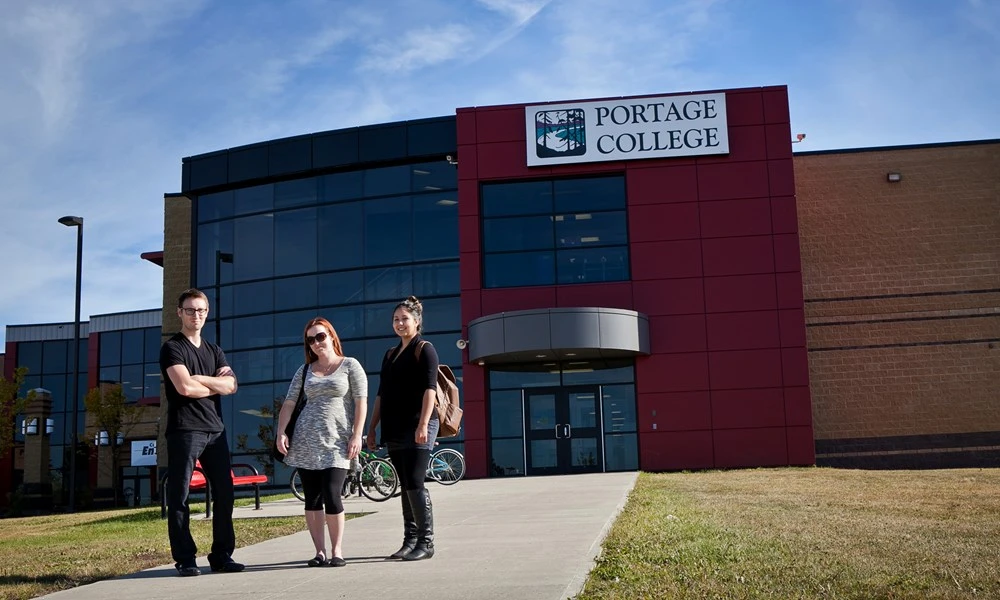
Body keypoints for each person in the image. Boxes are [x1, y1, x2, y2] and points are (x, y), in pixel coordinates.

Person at [160, 288, 243, 577]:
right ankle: (185, 558)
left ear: (207, 313)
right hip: (185, 430)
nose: (196, 315)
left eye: (201, 310)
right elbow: (184, 388)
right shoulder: (172, 348)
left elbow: (232, 386)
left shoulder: (214, 350)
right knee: (180, 495)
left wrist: (201, 379)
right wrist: (214, 384)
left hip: (215, 431)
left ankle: (221, 556)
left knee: (225, 494)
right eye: (190, 310)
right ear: (180, 312)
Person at [276, 317, 367, 567]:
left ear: (331, 336)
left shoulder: (350, 365)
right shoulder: (304, 370)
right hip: (306, 441)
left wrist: (357, 434)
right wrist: (281, 431)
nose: (316, 343)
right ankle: (320, 551)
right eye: (311, 339)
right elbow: (289, 403)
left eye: (320, 336)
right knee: (312, 498)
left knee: (332, 493)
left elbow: (361, 402)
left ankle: (337, 550)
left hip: (338, 441)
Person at [367, 296, 440, 561]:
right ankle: (410, 540)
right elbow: (381, 394)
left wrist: (423, 424)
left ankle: (426, 542)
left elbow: (430, 389)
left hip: (419, 424)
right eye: (396, 319)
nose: (399, 323)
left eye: (405, 319)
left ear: (417, 321)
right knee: (406, 483)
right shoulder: (390, 354)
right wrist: (372, 427)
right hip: (395, 426)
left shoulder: (425, 348)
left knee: (416, 482)